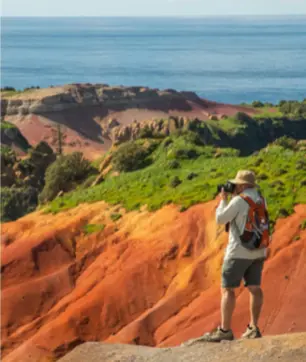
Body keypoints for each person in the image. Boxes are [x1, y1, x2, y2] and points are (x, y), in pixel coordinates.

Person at [203, 170, 268, 342]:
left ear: (242, 185)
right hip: (258, 251)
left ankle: (225, 330)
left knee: (228, 290)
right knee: (254, 288)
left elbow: (220, 219)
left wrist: (223, 200)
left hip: (238, 252)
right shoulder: (261, 199)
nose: (235, 187)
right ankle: (254, 328)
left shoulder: (239, 201)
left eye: (237, 184)